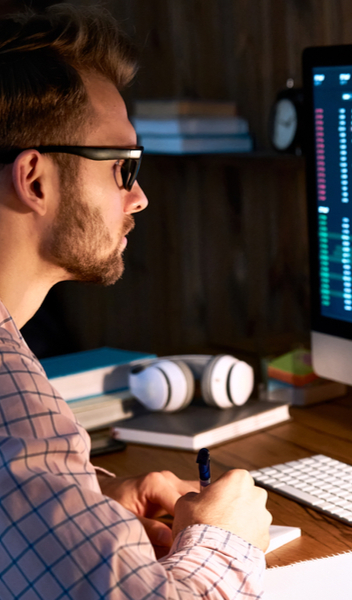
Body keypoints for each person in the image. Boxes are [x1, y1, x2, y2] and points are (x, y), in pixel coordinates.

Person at [0, 4, 271, 598]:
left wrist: (87, 506)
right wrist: (228, 540)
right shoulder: (13, 409)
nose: (140, 198)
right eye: (123, 168)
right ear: (35, 179)